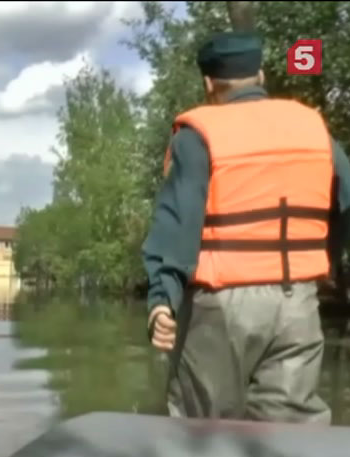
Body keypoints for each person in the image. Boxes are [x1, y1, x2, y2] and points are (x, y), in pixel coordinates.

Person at [143, 31, 350, 424]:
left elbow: (178, 222)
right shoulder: (312, 127)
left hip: (221, 305)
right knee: (292, 435)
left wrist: (161, 301)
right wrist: (327, 262)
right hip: (297, 303)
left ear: (208, 84)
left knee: (202, 431)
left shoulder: (199, 134)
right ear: (260, 74)